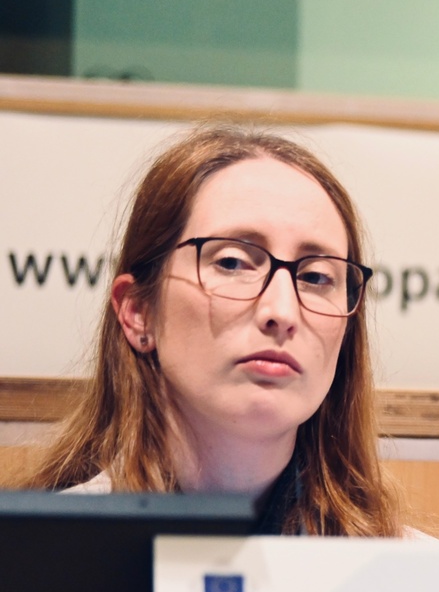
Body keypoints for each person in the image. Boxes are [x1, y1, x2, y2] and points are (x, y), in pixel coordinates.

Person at [26, 122, 407, 536]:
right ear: (138, 311)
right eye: (232, 263)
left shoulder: (412, 570)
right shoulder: (32, 557)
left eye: (316, 277)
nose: (282, 311)